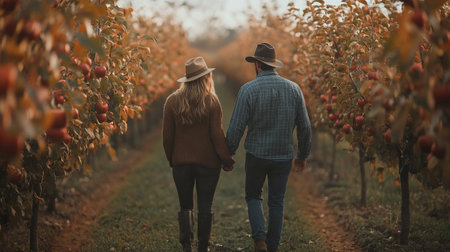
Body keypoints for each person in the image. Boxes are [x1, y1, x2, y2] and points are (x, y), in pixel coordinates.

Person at [226, 43, 312, 252]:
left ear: (257, 65)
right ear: (273, 64)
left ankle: (260, 241)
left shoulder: (248, 90)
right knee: (276, 201)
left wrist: (228, 152)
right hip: (283, 155)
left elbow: (236, 126)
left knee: (254, 196)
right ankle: (272, 246)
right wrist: (301, 155)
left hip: (257, 154)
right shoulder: (294, 89)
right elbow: (305, 126)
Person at [163, 56, 235, 252]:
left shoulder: (172, 101)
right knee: (205, 204)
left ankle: (186, 245)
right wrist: (226, 159)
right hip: (208, 164)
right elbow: (217, 135)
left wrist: (173, 159)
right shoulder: (212, 101)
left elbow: (167, 137)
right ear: (206, 78)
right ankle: (203, 246)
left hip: (181, 163)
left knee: (185, 205)